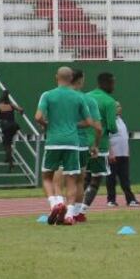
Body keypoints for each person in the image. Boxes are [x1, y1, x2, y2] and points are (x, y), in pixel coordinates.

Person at [35, 67, 96, 226]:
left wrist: (48, 125)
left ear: (57, 77)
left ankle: (55, 204)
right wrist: (73, 125)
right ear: (71, 78)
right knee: (72, 179)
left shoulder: (47, 95)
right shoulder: (79, 97)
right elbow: (89, 122)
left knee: (47, 177)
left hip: (54, 141)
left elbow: (38, 117)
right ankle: (69, 214)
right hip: (73, 143)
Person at [80, 72, 118, 217]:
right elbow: (112, 127)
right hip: (99, 145)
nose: (114, 86)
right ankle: (82, 209)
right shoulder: (109, 101)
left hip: (82, 143)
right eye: (113, 83)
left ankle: (72, 207)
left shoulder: (85, 96)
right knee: (96, 179)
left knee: (81, 178)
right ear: (107, 83)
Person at [70, 70, 104, 223]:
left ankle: (56, 205)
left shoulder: (53, 97)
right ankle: (75, 212)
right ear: (81, 80)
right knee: (78, 180)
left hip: (57, 142)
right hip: (80, 144)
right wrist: (95, 145)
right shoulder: (88, 100)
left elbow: (42, 119)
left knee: (57, 178)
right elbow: (98, 127)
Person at [105, 104, 140, 206]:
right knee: (111, 179)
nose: (119, 108)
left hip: (123, 154)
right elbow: (105, 138)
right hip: (113, 155)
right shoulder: (108, 121)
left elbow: (125, 137)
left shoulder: (121, 120)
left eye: (120, 106)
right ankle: (111, 200)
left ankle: (130, 200)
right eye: (116, 106)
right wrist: (110, 152)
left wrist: (127, 151)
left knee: (125, 179)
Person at [0, 91, 24, 170]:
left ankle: (10, 161)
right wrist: (21, 112)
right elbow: (21, 109)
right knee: (8, 142)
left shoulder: (0, 106)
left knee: (7, 144)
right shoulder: (11, 105)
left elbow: (0, 117)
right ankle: (8, 158)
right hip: (13, 125)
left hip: (6, 126)